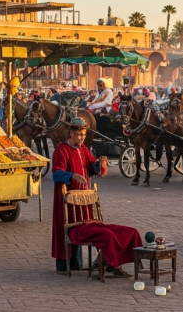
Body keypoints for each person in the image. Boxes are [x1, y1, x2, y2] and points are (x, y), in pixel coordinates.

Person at [51, 117, 142, 276]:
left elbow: (92, 167)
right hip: (68, 202)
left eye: (83, 135)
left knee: (121, 231)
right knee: (71, 231)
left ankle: (110, 263)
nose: (81, 138)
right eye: (79, 135)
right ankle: (66, 262)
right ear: (71, 133)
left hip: (85, 202)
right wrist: (71, 176)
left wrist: (100, 164)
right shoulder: (61, 149)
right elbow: (56, 174)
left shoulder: (83, 149)